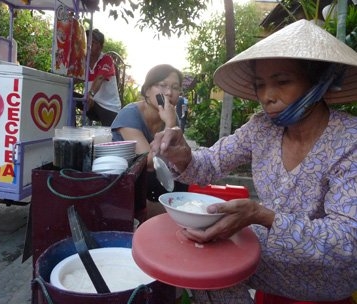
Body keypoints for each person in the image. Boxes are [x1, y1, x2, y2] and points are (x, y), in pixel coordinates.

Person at [150, 20, 357, 303]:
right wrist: (180, 153)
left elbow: (347, 241)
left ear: (319, 82)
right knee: (192, 257)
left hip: (323, 279)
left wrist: (263, 216)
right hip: (264, 258)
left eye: (282, 82)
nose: (267, 97)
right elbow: (209, 164)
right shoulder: (261, 128)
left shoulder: (350, 141)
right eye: (260, 85)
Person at [111, 64, 189, 218]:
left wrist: (170, 124)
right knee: (156, 178)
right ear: (147, 90)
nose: (169, 93)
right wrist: (170, 125)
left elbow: (179, 158)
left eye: (175, 87)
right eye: (162, 85)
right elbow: (150, 161)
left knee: (182, 179)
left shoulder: (170, 117)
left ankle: (170, 222)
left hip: (148, 180)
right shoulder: (129, 115)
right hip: (122, 180)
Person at [82, 28, 121, 126]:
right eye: (87, 42)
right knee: (70, 97)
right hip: (92, 104)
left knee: (111, 135)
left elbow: (100, 78)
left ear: (101, 46)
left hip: (109, 107)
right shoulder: (83, 61)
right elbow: (76, 78)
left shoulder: (106, 59)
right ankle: (71, 132)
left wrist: (90, 94)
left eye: (93, 42)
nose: (89, 45)